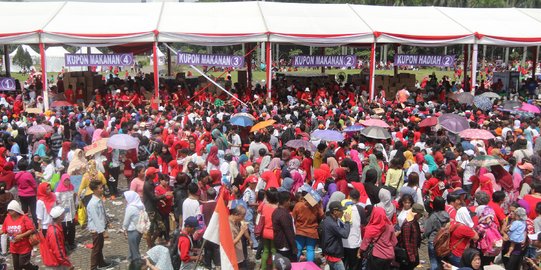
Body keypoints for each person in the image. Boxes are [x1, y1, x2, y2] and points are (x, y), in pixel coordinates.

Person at [1, 200, 38, 270]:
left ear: (16, 210)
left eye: (12, 211)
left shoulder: (24, 218)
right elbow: (4, 229)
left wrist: (21, 235)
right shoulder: (7, 218)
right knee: (16, 267)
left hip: (25, 247)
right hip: (14, 247)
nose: (10, 212)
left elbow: (32, 229)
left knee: (23, 264)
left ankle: (34, 268)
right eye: (9, 211)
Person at [292, 186, 324, 262]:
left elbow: (293, 218)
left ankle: (294, 265)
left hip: (300, 231)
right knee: (310, 250)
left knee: (298, 249)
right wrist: (320, 204)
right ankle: (310, 267)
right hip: (312, 231)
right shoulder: (315, 205)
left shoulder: (298, 205)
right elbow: (322, 215)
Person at [86, 181, 111, 270]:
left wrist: (107, 222)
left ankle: (101, 263)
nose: (102, 189)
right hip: (96, 229)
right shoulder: (92, 203)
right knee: (96, 249)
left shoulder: (98, 199)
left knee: (100, 246)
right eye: (100, 188)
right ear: (95, 190)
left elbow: (102, 213)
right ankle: (93, 267)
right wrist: (103, 231)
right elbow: (96, 218)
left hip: (100, 227)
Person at [320, 201, 351, 270]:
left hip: (328, 252)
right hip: (333, 256)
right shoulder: (331, 223)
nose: (343, 212)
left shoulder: (327, 220)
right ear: (335, 212)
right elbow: (345, 234)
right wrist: (347, 221)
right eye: (341, 210)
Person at [423, 196, 450, 270]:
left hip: (433, 240)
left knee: (433, 261)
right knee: (442, 261)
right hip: (444, 240)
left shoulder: (433, 216)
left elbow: (427, 230)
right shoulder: (447, 215)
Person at [272, 191, 297, 262]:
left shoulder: (276, 211)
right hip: (285, 244)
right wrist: (294, 247)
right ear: (285, 201)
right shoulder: (284, 215)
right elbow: (288, 231)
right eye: (289, 201)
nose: (290, 202)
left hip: (279, 242)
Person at [398, 203, 424, 270]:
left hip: (413, 250)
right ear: (416, 214)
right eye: (420, 215)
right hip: (408, 254)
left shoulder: (414, 221)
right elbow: (407, 243)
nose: (421, 217)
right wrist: (411, 257)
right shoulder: (408, 224)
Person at [55, 174, 76, 250]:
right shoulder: (58, 191)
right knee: (63, 228)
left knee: (72, 228)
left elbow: (74, 198)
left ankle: (71, 242)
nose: (67, 182)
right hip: (63, 213)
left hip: (71, 211)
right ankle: (64, 242)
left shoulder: (71, 188)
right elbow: (57, 202)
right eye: (65, 180)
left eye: (68, 180)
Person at [122, 191, 144, 262]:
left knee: (135, 250)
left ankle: (137, 264)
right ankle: (129, 258)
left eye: (126, 198)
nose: (125, 199)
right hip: (140, 229)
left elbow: (126, 221)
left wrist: (124, 229)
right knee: (134, 246)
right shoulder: (141, 205)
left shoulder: (131, 207)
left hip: (132, 230)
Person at [230, 205, 250, 269]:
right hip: (234, 257)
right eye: (242, 216)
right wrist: (242, 231)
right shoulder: (229, 225)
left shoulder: (236, 222)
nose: (243, 218)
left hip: (239, 255)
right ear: (236, 214)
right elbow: (232, 243)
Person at [0, 182, 13, 256]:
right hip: (10, 216)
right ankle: (12, 248)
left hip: (1, 219)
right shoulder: (10, 195)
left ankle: (4, 251)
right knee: (11, 232)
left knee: (3, 235)